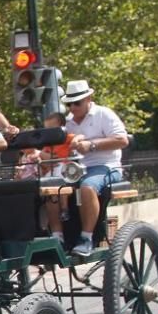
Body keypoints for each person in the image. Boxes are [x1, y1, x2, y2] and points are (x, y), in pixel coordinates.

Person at [51, 80, 129, 256]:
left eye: (77, 103)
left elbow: (122, 140)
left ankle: (86, 237)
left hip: (106, 166)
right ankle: (58, 237)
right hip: (76, 169)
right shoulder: (68, 123)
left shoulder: (104, 114)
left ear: (88, 99)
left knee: (87, 187)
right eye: (69, 104)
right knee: (50, 189)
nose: (73, 107)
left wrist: (91, 145)